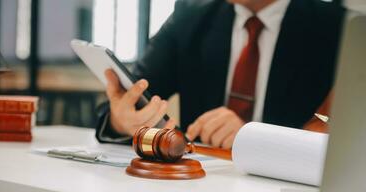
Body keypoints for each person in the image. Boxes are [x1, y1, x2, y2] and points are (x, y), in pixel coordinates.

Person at [95, 0, 345, 149]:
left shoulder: (339, 29)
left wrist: (254, 140)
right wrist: (121, 121)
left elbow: (339, 136)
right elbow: (135, 93)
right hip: (201, 184)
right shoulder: (190, 16)